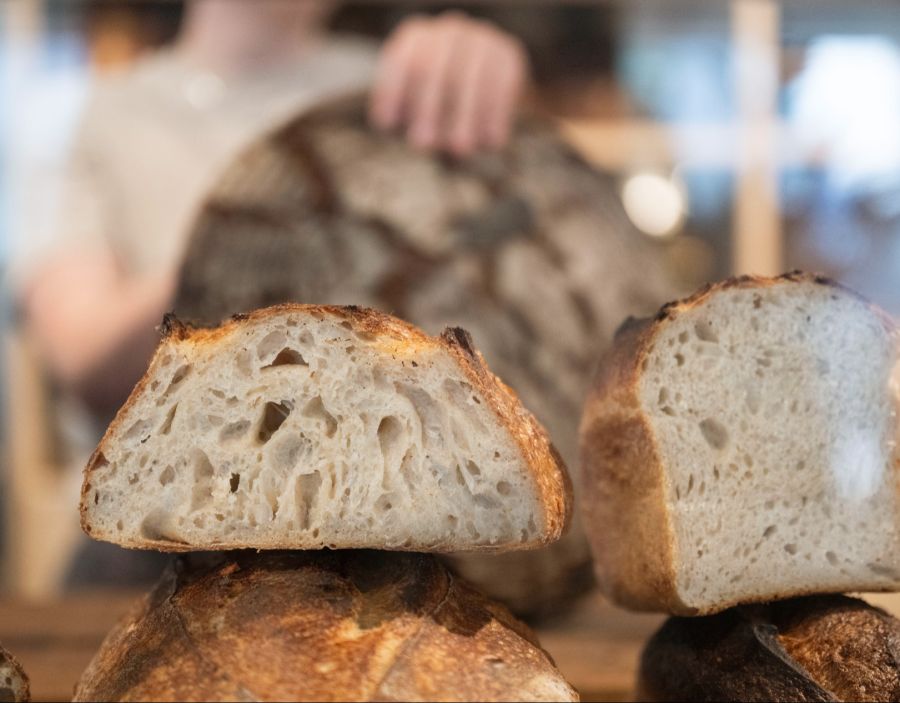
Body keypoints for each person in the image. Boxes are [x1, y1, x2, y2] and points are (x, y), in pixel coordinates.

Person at [9, 0, 528, 588]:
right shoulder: (105, 112)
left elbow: (501, 314)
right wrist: (250, 243)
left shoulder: (396, 91)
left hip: (382, 522)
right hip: (162, 531)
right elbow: (81, 354)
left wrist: (482, 67)